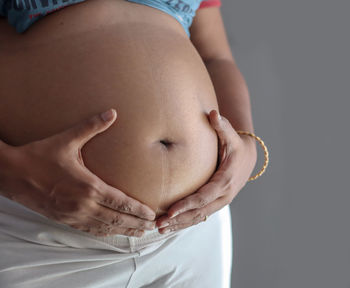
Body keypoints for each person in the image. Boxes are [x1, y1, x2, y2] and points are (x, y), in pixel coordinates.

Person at [0, 0, 258, 287]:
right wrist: (11, 173)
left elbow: (215, 57)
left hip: (191, 236)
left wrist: (247, 144)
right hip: (43, 236)